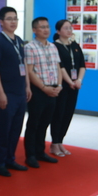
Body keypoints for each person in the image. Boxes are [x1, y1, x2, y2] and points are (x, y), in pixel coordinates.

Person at [0, 7, 31, 177]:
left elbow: (24, 64)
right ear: (1, 21)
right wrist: (0, 93)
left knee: (16, 128)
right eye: (9, 18)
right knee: (4, 128)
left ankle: (10, 159)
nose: (13, 22)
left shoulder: (19, 40)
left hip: (20, 91)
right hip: (6, 92)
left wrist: (27, 86)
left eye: (15, 18)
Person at [23, 17, 62, 168]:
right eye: (42, 27)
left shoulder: (53, 47)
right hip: (38, 90)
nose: (46, 30)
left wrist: (59, 85)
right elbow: (29, 71)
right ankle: (30, 155)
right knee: (34, 123)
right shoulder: (30, 47)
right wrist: (44, 87)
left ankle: (40, 152)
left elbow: (58, 67)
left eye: (47, 27)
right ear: (34, 30)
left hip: (53, 88)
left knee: (45, 123)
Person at [50, 20, 85, 157]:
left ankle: (60, 141)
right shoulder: (55, 46)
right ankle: (54, 143)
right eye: (66, 28)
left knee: (68, 114)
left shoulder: (75, 45)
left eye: (70, 28)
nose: (69, 30)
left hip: (75, 86)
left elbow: (82, 65)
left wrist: (79, 80)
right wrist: (70, 81)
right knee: (59, 114)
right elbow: (60, 67)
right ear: (58, 31)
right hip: (62, 85)